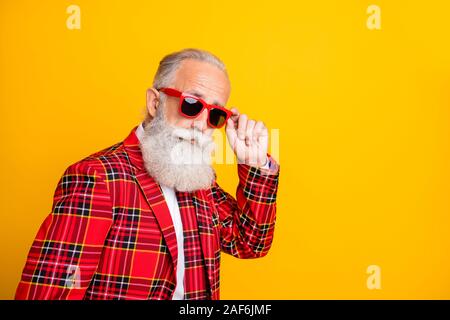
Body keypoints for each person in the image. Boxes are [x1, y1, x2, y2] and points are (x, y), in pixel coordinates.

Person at [15, 48, 280, 300]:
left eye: (216, 115)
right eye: (191, 104)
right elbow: (51, 290)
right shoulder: (97, 178)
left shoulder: (199, 182)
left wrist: (254, 164)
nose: (201, 124)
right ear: (155, 102)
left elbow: (250, 243)